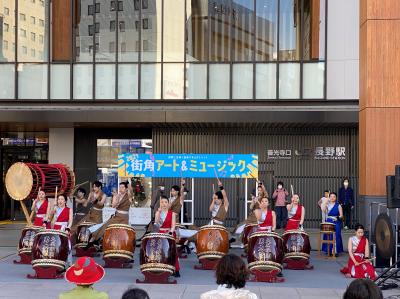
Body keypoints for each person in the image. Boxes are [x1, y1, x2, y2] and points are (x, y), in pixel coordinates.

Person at [155, 195, 180, 277]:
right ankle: (162, 268)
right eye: (162, 202)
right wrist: (158, 213)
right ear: (160, 203)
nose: (164, 204)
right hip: (160, 233)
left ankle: (176, 270)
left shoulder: (172, 213)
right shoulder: (157, 213)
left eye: (166, 202)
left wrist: (170, 232)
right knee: (161, 251)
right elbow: (157, 224)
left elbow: (173, 225)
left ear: (168, 204)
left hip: (169, 233)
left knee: (172, 252)